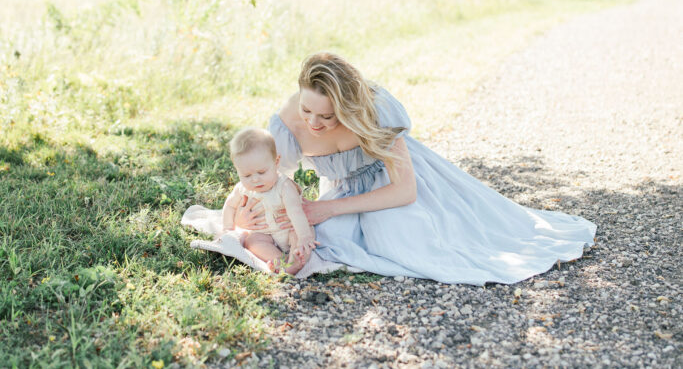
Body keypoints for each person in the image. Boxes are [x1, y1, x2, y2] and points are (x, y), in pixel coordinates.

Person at [184, 52, 596, 283]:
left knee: (399, 240)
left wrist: (325, 208)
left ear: (348, 108)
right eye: (307, 109)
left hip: (403, 185)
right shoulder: (291, 118)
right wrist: (251, 207)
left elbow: (405, 192)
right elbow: (274, 177)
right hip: (346, 190)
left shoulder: (376, 112)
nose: (313, 124)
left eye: (326, 118)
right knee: (330, 241)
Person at [222, 127, 316, 275]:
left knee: (299, 238)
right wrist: (227, 227)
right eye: (246, 175)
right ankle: (280, 261)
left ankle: (296, 257)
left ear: (276, 162)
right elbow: (229, 205)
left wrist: (305, 236)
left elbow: (296, 212)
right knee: (252, 242)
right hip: (264, 233)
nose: (254, 179)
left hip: (289, 228)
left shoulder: (284, 186)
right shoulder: (242, 188)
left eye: (261, 172)